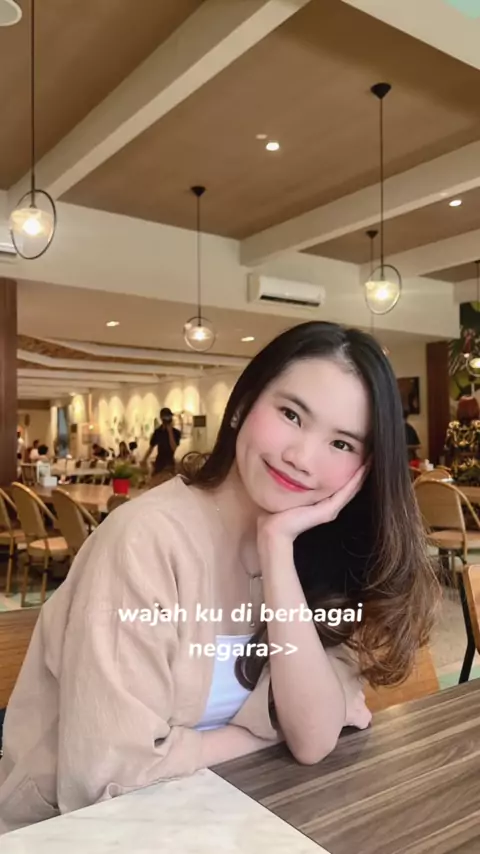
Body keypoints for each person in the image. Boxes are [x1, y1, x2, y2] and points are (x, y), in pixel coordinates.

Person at [0, 322, 439, 834]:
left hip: (229, 823)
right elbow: (110, 781)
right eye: (291, 415)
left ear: (365, 469)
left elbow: (314, 737)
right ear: (242, 404)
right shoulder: (146, 541)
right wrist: (255, 736)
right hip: (75, 835)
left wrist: (276, 549)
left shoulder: (318, 552)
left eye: (341, 444)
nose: (301, 457)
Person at [445, 395, 480, 482]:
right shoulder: (478, 426)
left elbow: (448, 451)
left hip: (457, 473)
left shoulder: (452, 427)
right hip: (476, 473)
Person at [142, 407, 181, 475]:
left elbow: (174, 448)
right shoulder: (158, 432)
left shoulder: (176, 432)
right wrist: (144, 459)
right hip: (159, 462)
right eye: (166, 417)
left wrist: (170, 432)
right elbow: (151, 447)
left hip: (170, 463)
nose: (167, 419)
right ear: (161, 418)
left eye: (169, 417)